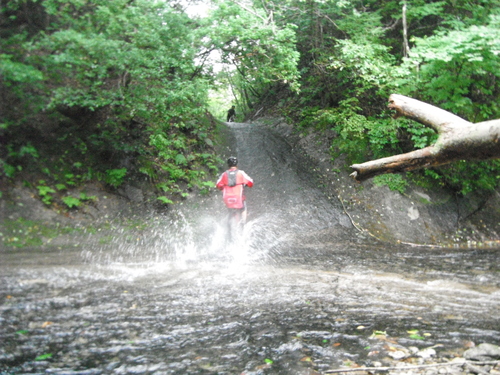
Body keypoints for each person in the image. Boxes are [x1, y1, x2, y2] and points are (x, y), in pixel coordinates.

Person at [216, 156, 253, 226]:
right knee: (243, 208)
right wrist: (245, 184)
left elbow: (218, 184)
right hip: (238, 198)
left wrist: (223, 187)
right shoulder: (241, 173)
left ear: (228, 165)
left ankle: (228, 226)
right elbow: (251, 182)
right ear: (237, 165)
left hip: (228, 199)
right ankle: (243, 223)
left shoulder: (224, 174)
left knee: (230, 210)